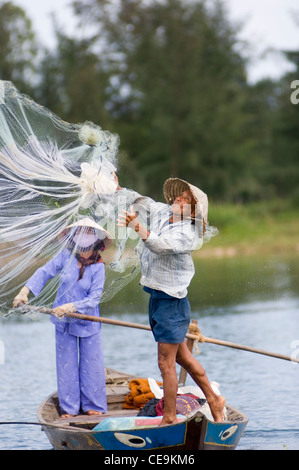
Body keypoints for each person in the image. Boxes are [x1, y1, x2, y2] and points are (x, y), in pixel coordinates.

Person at [117, 177, 226, 425]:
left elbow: (161, 245)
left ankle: (168, 417)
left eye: (187, 200)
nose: (179, 199)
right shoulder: (162, 212)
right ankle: (213, 399)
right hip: (157, 295)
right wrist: (116, 188)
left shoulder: (187, 233)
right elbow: (139, 200)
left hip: (172, 301)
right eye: (180, 196)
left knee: (165, 363)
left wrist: (137, 227)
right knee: (182, 358)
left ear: (193, 211)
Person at [13, 217, 112, 418]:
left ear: (96, 240)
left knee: (91, 363)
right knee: (65, 363)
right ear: (73, 237)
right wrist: (25, 291)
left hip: (88, 321)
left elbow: (94, 298)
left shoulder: (98, 266)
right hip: (62, 321)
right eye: (80, 231)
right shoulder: (65, 256)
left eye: (89, 232)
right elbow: (44, 272)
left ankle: (94, 405)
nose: (84, 236)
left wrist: (72, 306)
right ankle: (69, 408)